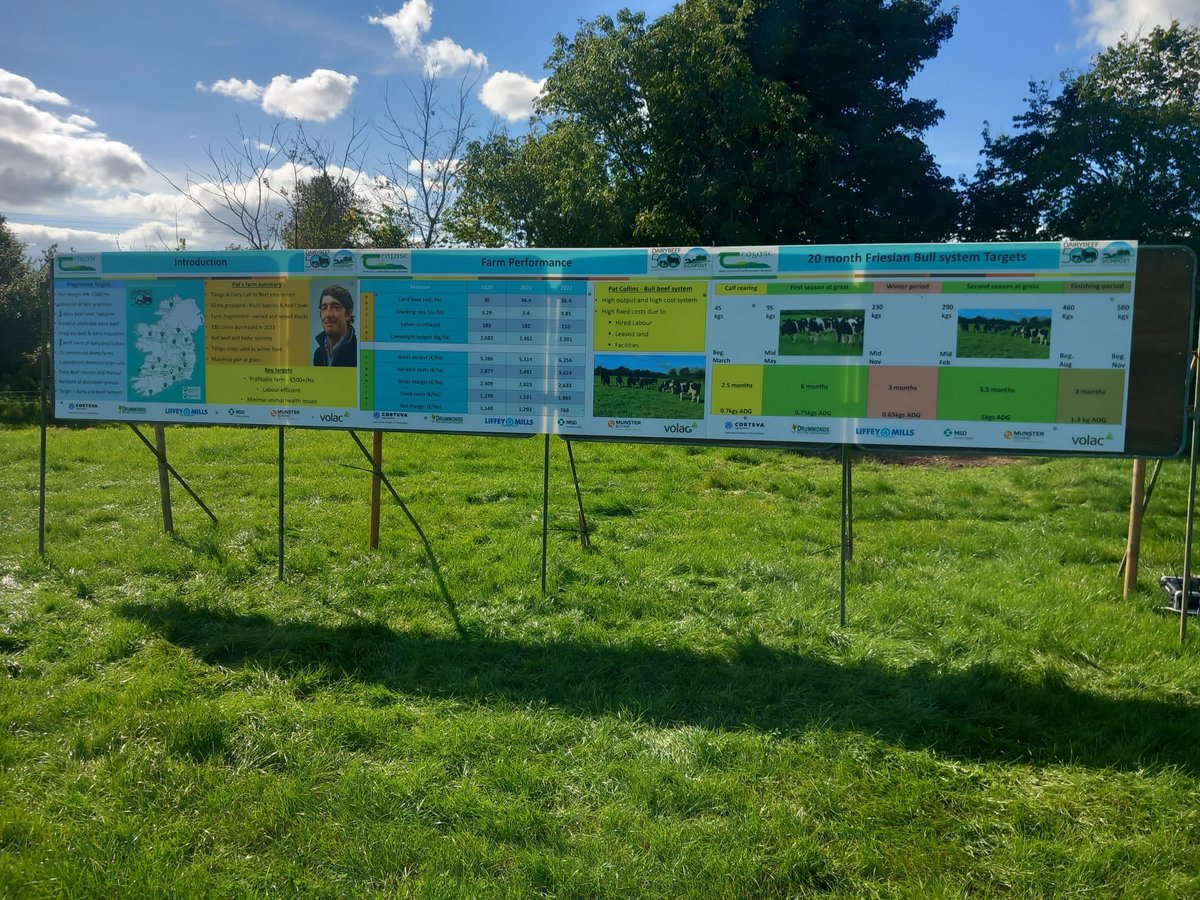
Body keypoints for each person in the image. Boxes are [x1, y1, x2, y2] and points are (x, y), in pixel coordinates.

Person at [313, 284, 357, 367]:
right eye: (324, 308)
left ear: (348, 314)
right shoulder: (318, 355)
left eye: (335, 307)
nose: (328, 314)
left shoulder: (358, 353)